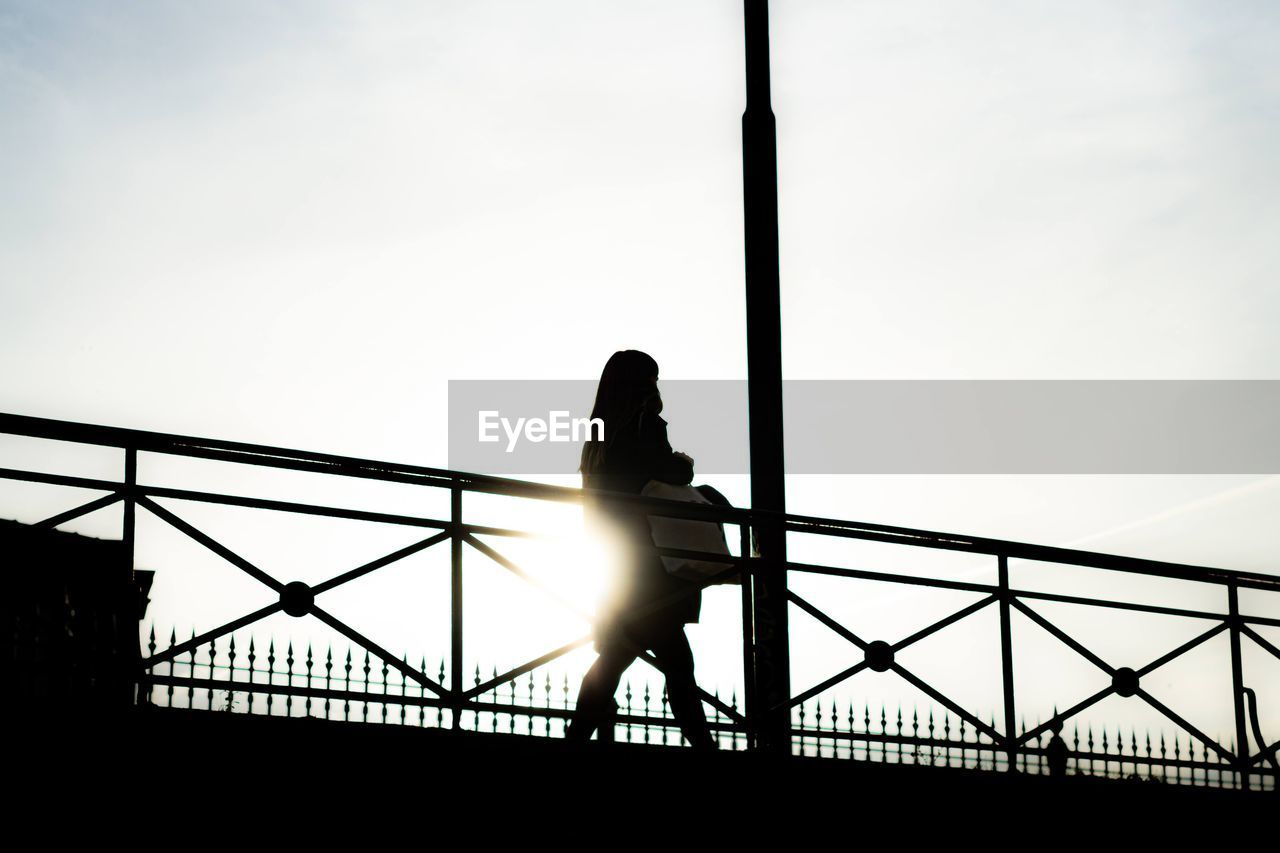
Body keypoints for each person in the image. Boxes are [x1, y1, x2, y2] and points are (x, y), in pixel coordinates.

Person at [564, 350, 716, 750]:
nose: (656, 385)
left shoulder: (597, 434)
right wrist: (683, 463)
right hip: (650, 561)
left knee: (621, 655)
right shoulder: (644, 425)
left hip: (616, 559)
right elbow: (668, 471)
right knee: (675, 664)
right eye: (651, 378)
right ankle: (705, 747)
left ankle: (575, 739)